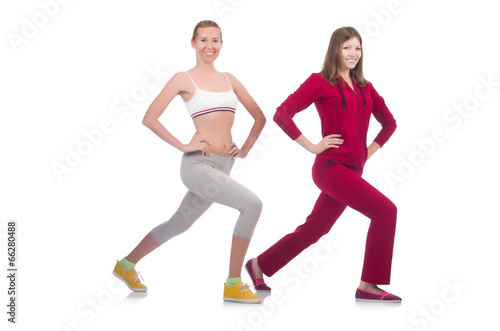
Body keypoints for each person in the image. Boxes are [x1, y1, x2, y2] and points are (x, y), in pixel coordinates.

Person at [112, 20, 266, 304]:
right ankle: (234, 284)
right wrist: (183, 145)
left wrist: (244, 148)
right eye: (204, 40)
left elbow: (260, 116)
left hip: (223, 165)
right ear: (193, 44)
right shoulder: (184, 79)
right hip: (197, 166)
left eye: (216, 40)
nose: (210, 46)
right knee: (252, 204)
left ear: (222, 44)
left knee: (178, 223)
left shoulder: (230, 79)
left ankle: (126, 265)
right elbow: (149, 118)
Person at [245, 26, 401, 302]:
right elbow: (283, 114)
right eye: (346, 48)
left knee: (315, 229)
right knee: (385, 211)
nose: (353, 53)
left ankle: (259, 265)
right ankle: (369, 285)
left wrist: (368, 152)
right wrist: (313, 146)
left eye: (357, 48)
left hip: (353, 169)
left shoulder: (366, 88)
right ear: (335, 50)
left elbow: (389, 123)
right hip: (330, 168)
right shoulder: (320, 81)